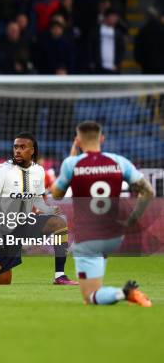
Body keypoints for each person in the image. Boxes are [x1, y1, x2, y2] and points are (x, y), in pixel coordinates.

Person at [50, 121, 153, 306]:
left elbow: (56, 194)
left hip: (88, 238)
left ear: (79, 140)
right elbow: (148, 192)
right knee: (95, 281)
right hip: (114, 235)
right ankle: (105, 291)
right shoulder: (119, 161)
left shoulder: (72, 163)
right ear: (102, 139)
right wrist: (131, 221)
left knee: (89, 297)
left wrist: (73, 153)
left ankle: (125, 292)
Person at [0, 132, 77, 286]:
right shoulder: (2, 169)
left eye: (22, 147)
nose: (18, 150)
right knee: (2, 281)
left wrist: (47, 210)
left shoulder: (39, 171)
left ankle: (60, 276)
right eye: (16, 147)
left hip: (25, 223)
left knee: (58, 223)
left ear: (32, 150)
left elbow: (36, 199)